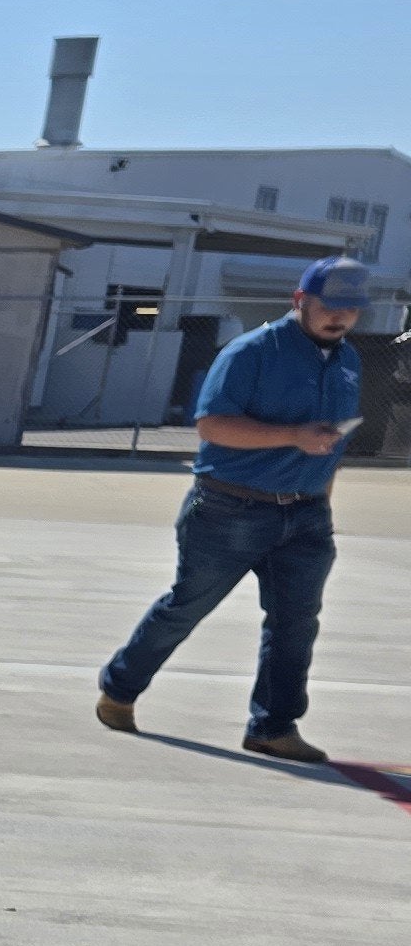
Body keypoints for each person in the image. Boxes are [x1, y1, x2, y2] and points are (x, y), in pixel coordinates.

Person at [95, 256, 375, 763]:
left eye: (351, 309)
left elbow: (330, 443)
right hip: (231, 509)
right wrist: (292, 436)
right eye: (330, 306)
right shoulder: (252, 352)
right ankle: (119, 690)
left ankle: (273, 726)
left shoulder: (348, 360)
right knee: (187, 607)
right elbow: (212, 426)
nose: (341, 317)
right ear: (299, 301)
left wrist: (322, 504)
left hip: (307, 516)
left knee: (296, 623)